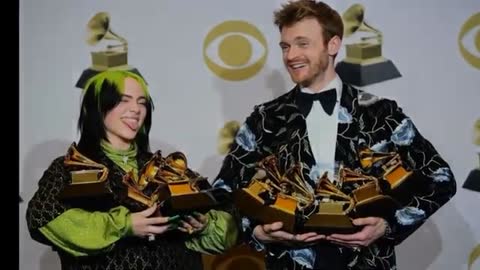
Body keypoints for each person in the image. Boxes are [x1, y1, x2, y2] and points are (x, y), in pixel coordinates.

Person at [214, 1, 456, 269]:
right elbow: (224, 191)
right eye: (285, 46)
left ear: (333, 45)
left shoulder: (380, 113)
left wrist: (388, 226)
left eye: (302, 44)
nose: (290, 55)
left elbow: (441, 179)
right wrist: (257, 233)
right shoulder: (265, 119)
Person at [26, 68, 238, 270]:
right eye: (123, 100)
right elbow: (44, 217)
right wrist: (125, 225)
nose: (136, 109)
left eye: (142, 102)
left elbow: (227, 221)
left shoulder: (171, 168)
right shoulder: (70, 168)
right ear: (98, 107)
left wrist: (204, 225)